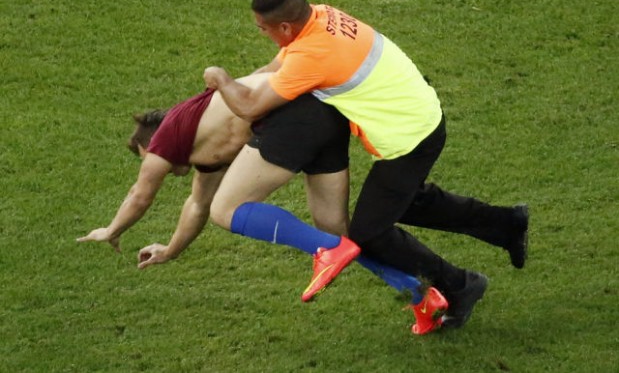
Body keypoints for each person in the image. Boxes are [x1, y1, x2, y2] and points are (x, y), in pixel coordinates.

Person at [203, 0, 529, 329]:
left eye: (262, 29)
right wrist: (239, 84)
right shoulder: (320, 15)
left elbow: (251, 107)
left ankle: (461, 285)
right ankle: (506, 224)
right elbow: (272, 71)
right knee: (408, 202)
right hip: (421, 118)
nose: (261, 34)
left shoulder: (314, 54)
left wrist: (221, 79)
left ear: (284, 27)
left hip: (408, 141)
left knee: (369, 233)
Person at [76, 72, 449, 334]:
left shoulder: (167, 135)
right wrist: (170, 251)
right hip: (324, 121)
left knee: (231, 210)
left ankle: (326, 251)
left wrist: (112, 229)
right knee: (337, 233)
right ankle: (421, 295)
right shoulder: (202, 149)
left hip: (297, 119)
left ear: (150, 143)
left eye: (146, 156)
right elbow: (196, 206)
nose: (150, 163)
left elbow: (141, 193)